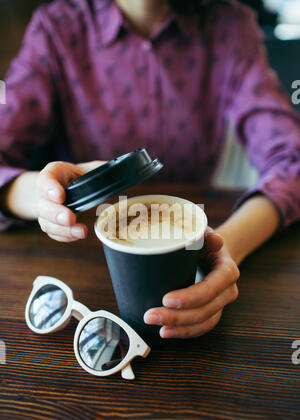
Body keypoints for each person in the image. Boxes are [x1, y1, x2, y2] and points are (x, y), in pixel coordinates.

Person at [0, 0, 299, 339]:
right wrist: (43, 196)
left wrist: (227, 246)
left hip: (194, 240)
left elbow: (293, 161)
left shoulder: (230, 26)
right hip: (73, 269)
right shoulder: (55, 29)